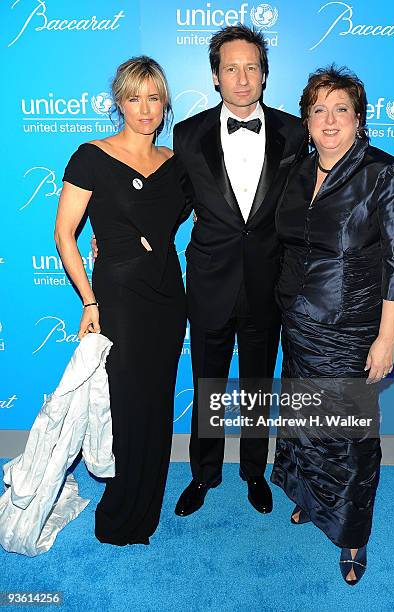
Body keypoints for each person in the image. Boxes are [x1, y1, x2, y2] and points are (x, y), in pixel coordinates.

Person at [271, 65, 394, 585]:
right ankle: (312, 500)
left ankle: (353, 533)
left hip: (351, 326)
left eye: (341, 109)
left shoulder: (387, 174)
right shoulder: (296, 168)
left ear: (359, 119)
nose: (329, 120)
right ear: (306, 120)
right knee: (305, 424)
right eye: (318, 110)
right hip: (299, 322)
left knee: (350, 436)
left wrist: (385, 339)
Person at [173, 25, 307, 518]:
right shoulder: (187, 135)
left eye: (252, 67)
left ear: (265, 75)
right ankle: (203, 475)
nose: (242, 78)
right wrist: (121, 234)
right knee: (208, 383)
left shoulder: (295, 132)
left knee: (256, 385)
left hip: (267, 283)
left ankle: (254, 471)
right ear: (215, 76)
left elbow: (306, 206)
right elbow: (176, 201)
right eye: (231, 68)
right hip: (210, 281)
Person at [54, 56, 188, 546]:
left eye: (154, 97)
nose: (145, 108)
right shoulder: (91, 156)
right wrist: (90, 302)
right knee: (128, 403)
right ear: (119, 103)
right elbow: (65, 234)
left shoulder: (176, 163)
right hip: (120, 295)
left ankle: (146, 509)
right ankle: (119, 514)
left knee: (157, 401)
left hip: (169, 294)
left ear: (165, 102)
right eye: (135, 98)